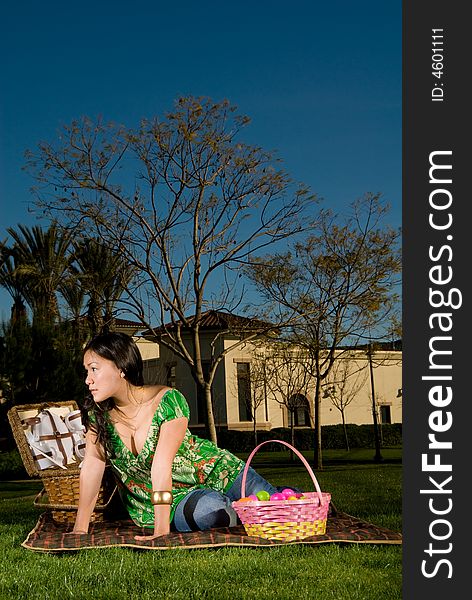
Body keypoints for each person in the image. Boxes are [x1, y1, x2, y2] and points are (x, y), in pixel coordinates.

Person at [72, 331, 278, 540]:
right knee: (210, 512)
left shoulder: (168, 401)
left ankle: (262, 502)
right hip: (170, 503)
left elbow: (161, 465)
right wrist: (80, 528)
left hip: (220, 472)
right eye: (86, 371)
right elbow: (92, 465)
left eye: (94, 369)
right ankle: (236, 509)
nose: (88, 380)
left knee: (277, 508)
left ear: (121, 368)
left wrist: (161, 532)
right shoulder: (98, 416)